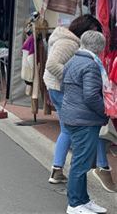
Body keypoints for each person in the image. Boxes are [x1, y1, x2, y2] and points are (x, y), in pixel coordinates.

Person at [44, 15, 115, 192]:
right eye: (95, 31)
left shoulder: (69, 41)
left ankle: (58, 169)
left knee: (68, 129)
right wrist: (73, 79)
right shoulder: (69, 43)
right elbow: (52, 65)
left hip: (59, 88)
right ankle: (97, 169)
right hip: (60, 89)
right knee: (76, 130)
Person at [60, 31, 109, 214]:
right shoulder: (91, 65)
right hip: (85, 119)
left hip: (72, 116)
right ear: (99, 47)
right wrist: (105, 111)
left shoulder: (72, 60)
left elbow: (64, 87)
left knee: (81, 160)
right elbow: (90, 96)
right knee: (81, 163)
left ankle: (83, 200)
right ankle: (74, 204)